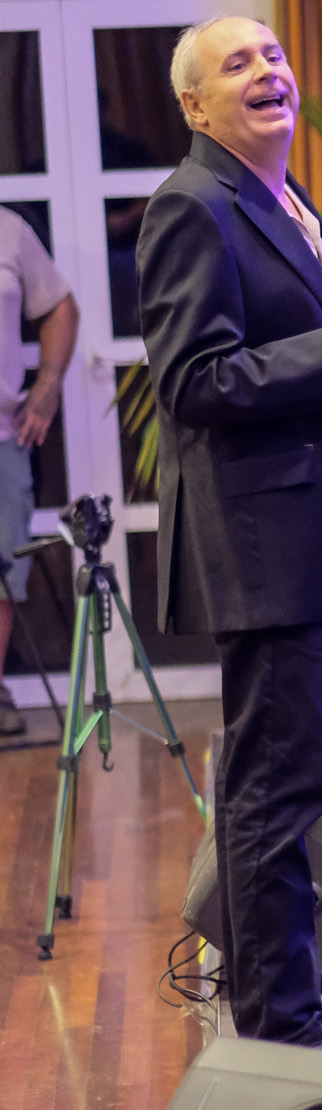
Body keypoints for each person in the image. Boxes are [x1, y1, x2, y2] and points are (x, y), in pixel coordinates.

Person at [138, 15, 322, 1055]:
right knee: (271, 797)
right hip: (269, 556)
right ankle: (278, 1030)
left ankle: (290, 1008)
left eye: (275, 56)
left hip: (315, 544)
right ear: (196, 105)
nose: (270, 73)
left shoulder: (283, 202)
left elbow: (294, 368)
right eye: (239, 64)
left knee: (289, 790)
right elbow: (195, 383)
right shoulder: (190, 208)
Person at [0, 207, 77, 736]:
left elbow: (59, 308)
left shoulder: (8, 230)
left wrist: (47, 387)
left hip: (2, 439)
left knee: (4, 575)